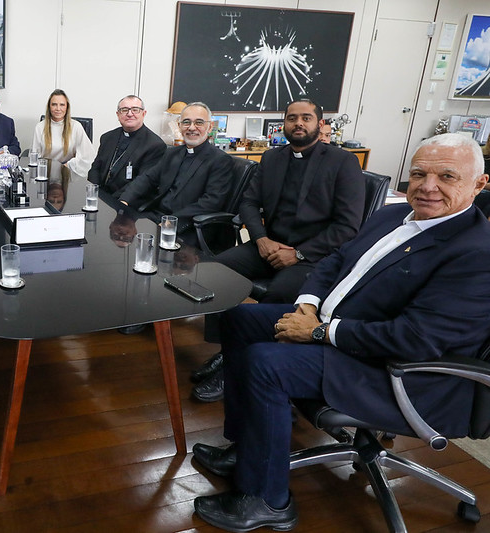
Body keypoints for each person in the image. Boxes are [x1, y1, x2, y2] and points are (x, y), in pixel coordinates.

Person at [191, 133, 490, 532]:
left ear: (479, 185)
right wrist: (309, 303)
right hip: (339, 327)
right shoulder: (391, 215)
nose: (428, 186)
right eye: (419, 173)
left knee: (266, 363)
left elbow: (416, 339)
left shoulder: (475, 253)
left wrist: (319, 332)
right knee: (240, 319)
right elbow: (336, 260)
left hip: (402, 371)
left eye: (447, 176)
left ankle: (267, 499)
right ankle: (245, 447)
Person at [191, 99, 364, 402]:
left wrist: (297, 254)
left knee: (278, 295)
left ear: (320, 124)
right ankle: (225, 351)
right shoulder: (272, 158)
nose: (299, 123)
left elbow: (347, 227)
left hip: (313, 257)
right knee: (215, 272)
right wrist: (260, 239)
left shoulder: (342, 162)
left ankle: (239, 368)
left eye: (306, 118)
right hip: (268, 245)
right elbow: (247, 202)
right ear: (283, 124)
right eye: (292, 118)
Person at [118, 101, 235, 243]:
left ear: (210, 126)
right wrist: (125, 200)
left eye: (199, 122)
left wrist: (172, 222)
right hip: (157, 215)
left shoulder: (220, 160)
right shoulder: (172, 153)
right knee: (123, 233)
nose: (192, 128)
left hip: (188, 226)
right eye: (186, 122)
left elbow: (211, 202)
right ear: (179, 126)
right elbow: (148, 178)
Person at [88, 95, 166, 199]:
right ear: (118, 114)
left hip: (126, 201)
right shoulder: (107, 137)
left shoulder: (155, 145)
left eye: (135, 110)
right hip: (100, 196)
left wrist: (112, 201)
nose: (129, 114)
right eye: (124, 110)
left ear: (144, 114)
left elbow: (142, 183)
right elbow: (95, 169)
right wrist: (93, 192)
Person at [31, 89, 94, 178]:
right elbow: (35, 156)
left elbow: (87, 157)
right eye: (54, 104)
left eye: (62, 105)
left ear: (67, 107)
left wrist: (65, 166)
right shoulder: (40, 127)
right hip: (46, 174)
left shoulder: (76, 127)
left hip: (69, 173)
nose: (58, 108)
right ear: (49, 107)